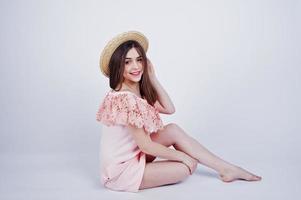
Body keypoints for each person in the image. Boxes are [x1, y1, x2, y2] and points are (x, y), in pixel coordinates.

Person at [96, 31, 262, 193]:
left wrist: (153, 77)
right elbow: (146, 146)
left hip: (134, 157)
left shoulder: (136, 93)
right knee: (184, 168)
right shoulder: (126, 99)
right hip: (121, 172)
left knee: (172, 129)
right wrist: (181, 156)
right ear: (118, 65)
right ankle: (222, 168)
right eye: (127, 62)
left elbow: (169, 108)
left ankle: (226, 168)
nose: (136, 66)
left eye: (139, 60)